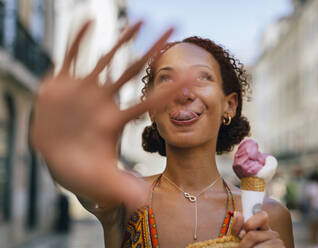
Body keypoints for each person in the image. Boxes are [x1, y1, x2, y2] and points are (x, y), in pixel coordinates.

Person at [31, 20, 294, 248]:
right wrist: (61, 150)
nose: (183, 92)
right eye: (167, 79)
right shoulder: (123, 198)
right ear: (152, 108)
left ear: (230, 105)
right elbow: (87, 184)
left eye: (202, 78)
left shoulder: (269, 216)